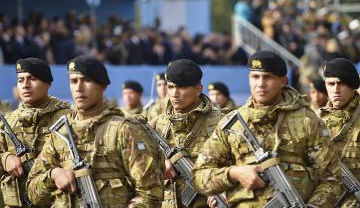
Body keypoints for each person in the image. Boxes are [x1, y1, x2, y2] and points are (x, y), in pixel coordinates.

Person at [193, 50, 341, 207]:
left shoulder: (307, 121)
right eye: (255, 77)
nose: (260, 84)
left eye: (268, 77)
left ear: (283, 81)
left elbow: (331, 178)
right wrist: (233, 174)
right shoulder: (232, 123)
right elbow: (199, 176)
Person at [27, 55, 164, 207]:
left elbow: (151, 193)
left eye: (86, 80)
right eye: (73, 81)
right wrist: (53, 175)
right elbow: (33, 194)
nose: (79, 88)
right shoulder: (61, 132)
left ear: (102, 86)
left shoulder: (125, 130)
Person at [150, 59, 224, 208]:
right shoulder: (157, 124)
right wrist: (159, 166)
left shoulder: (221, 121)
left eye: (182, 87)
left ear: (198, 89)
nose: (174, 94)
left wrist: (226, 191)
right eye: (170, 87)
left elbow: (240, 164)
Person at [0, 57, 70, 207]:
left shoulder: (66, 117)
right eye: (20, 80)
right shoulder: (9, 121)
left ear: (48, 83)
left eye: (32, 79)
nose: (25, 85)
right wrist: (5, 159)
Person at [318, 58, 360, 207]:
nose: (335, 89)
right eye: (331, 84)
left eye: (341, 83)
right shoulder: (314, 120)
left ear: (352, 85)